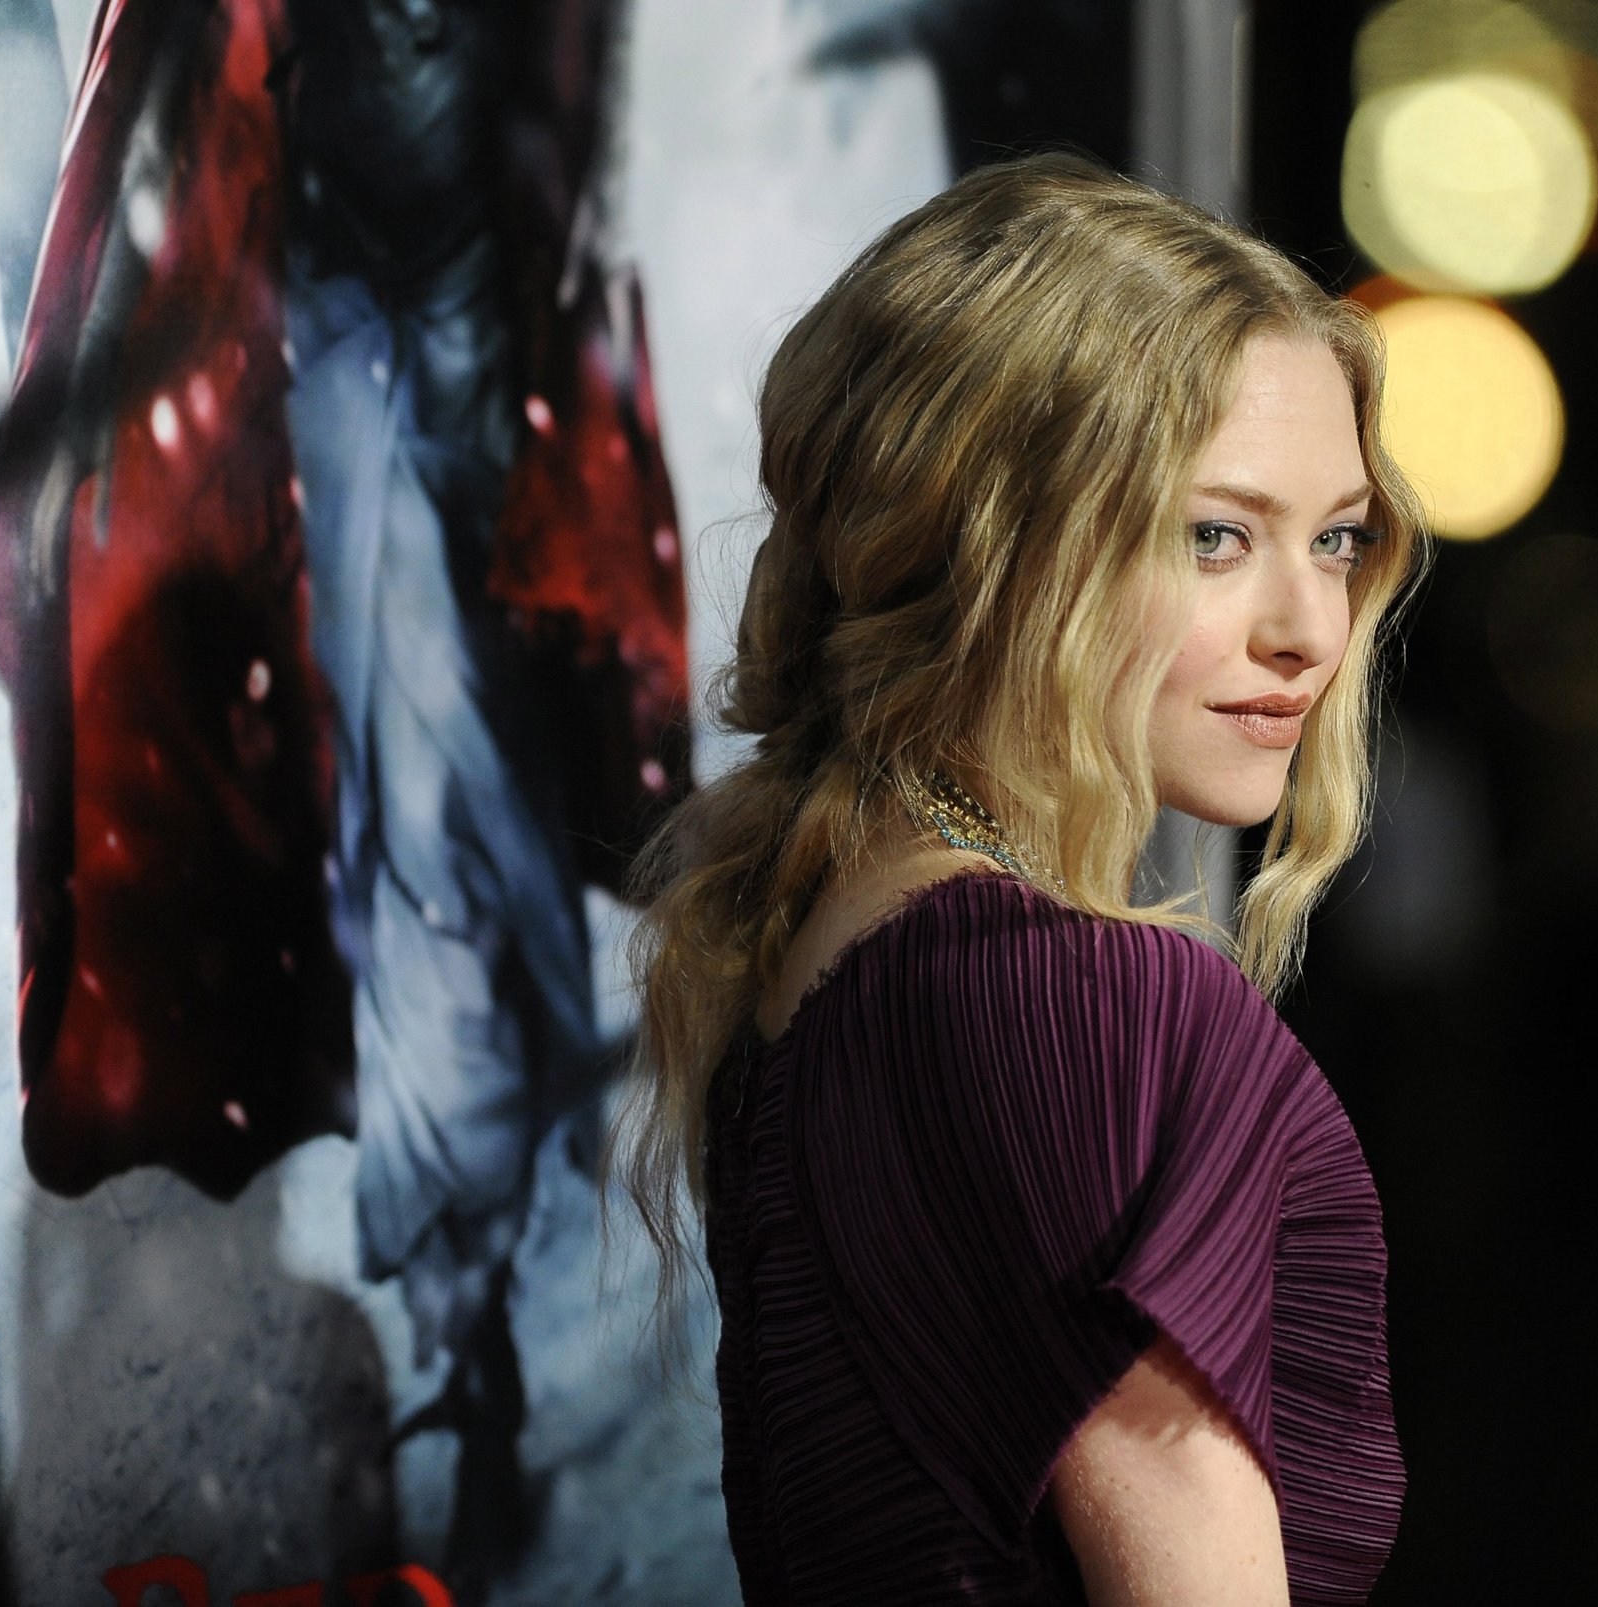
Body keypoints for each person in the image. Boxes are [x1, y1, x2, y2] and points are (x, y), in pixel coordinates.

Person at [608, 152, 1428, 1605]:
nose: (1310, 627)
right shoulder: (1090, 999)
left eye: (1340, 538)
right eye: (1216, 536)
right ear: (996, 538)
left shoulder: (824, 954)